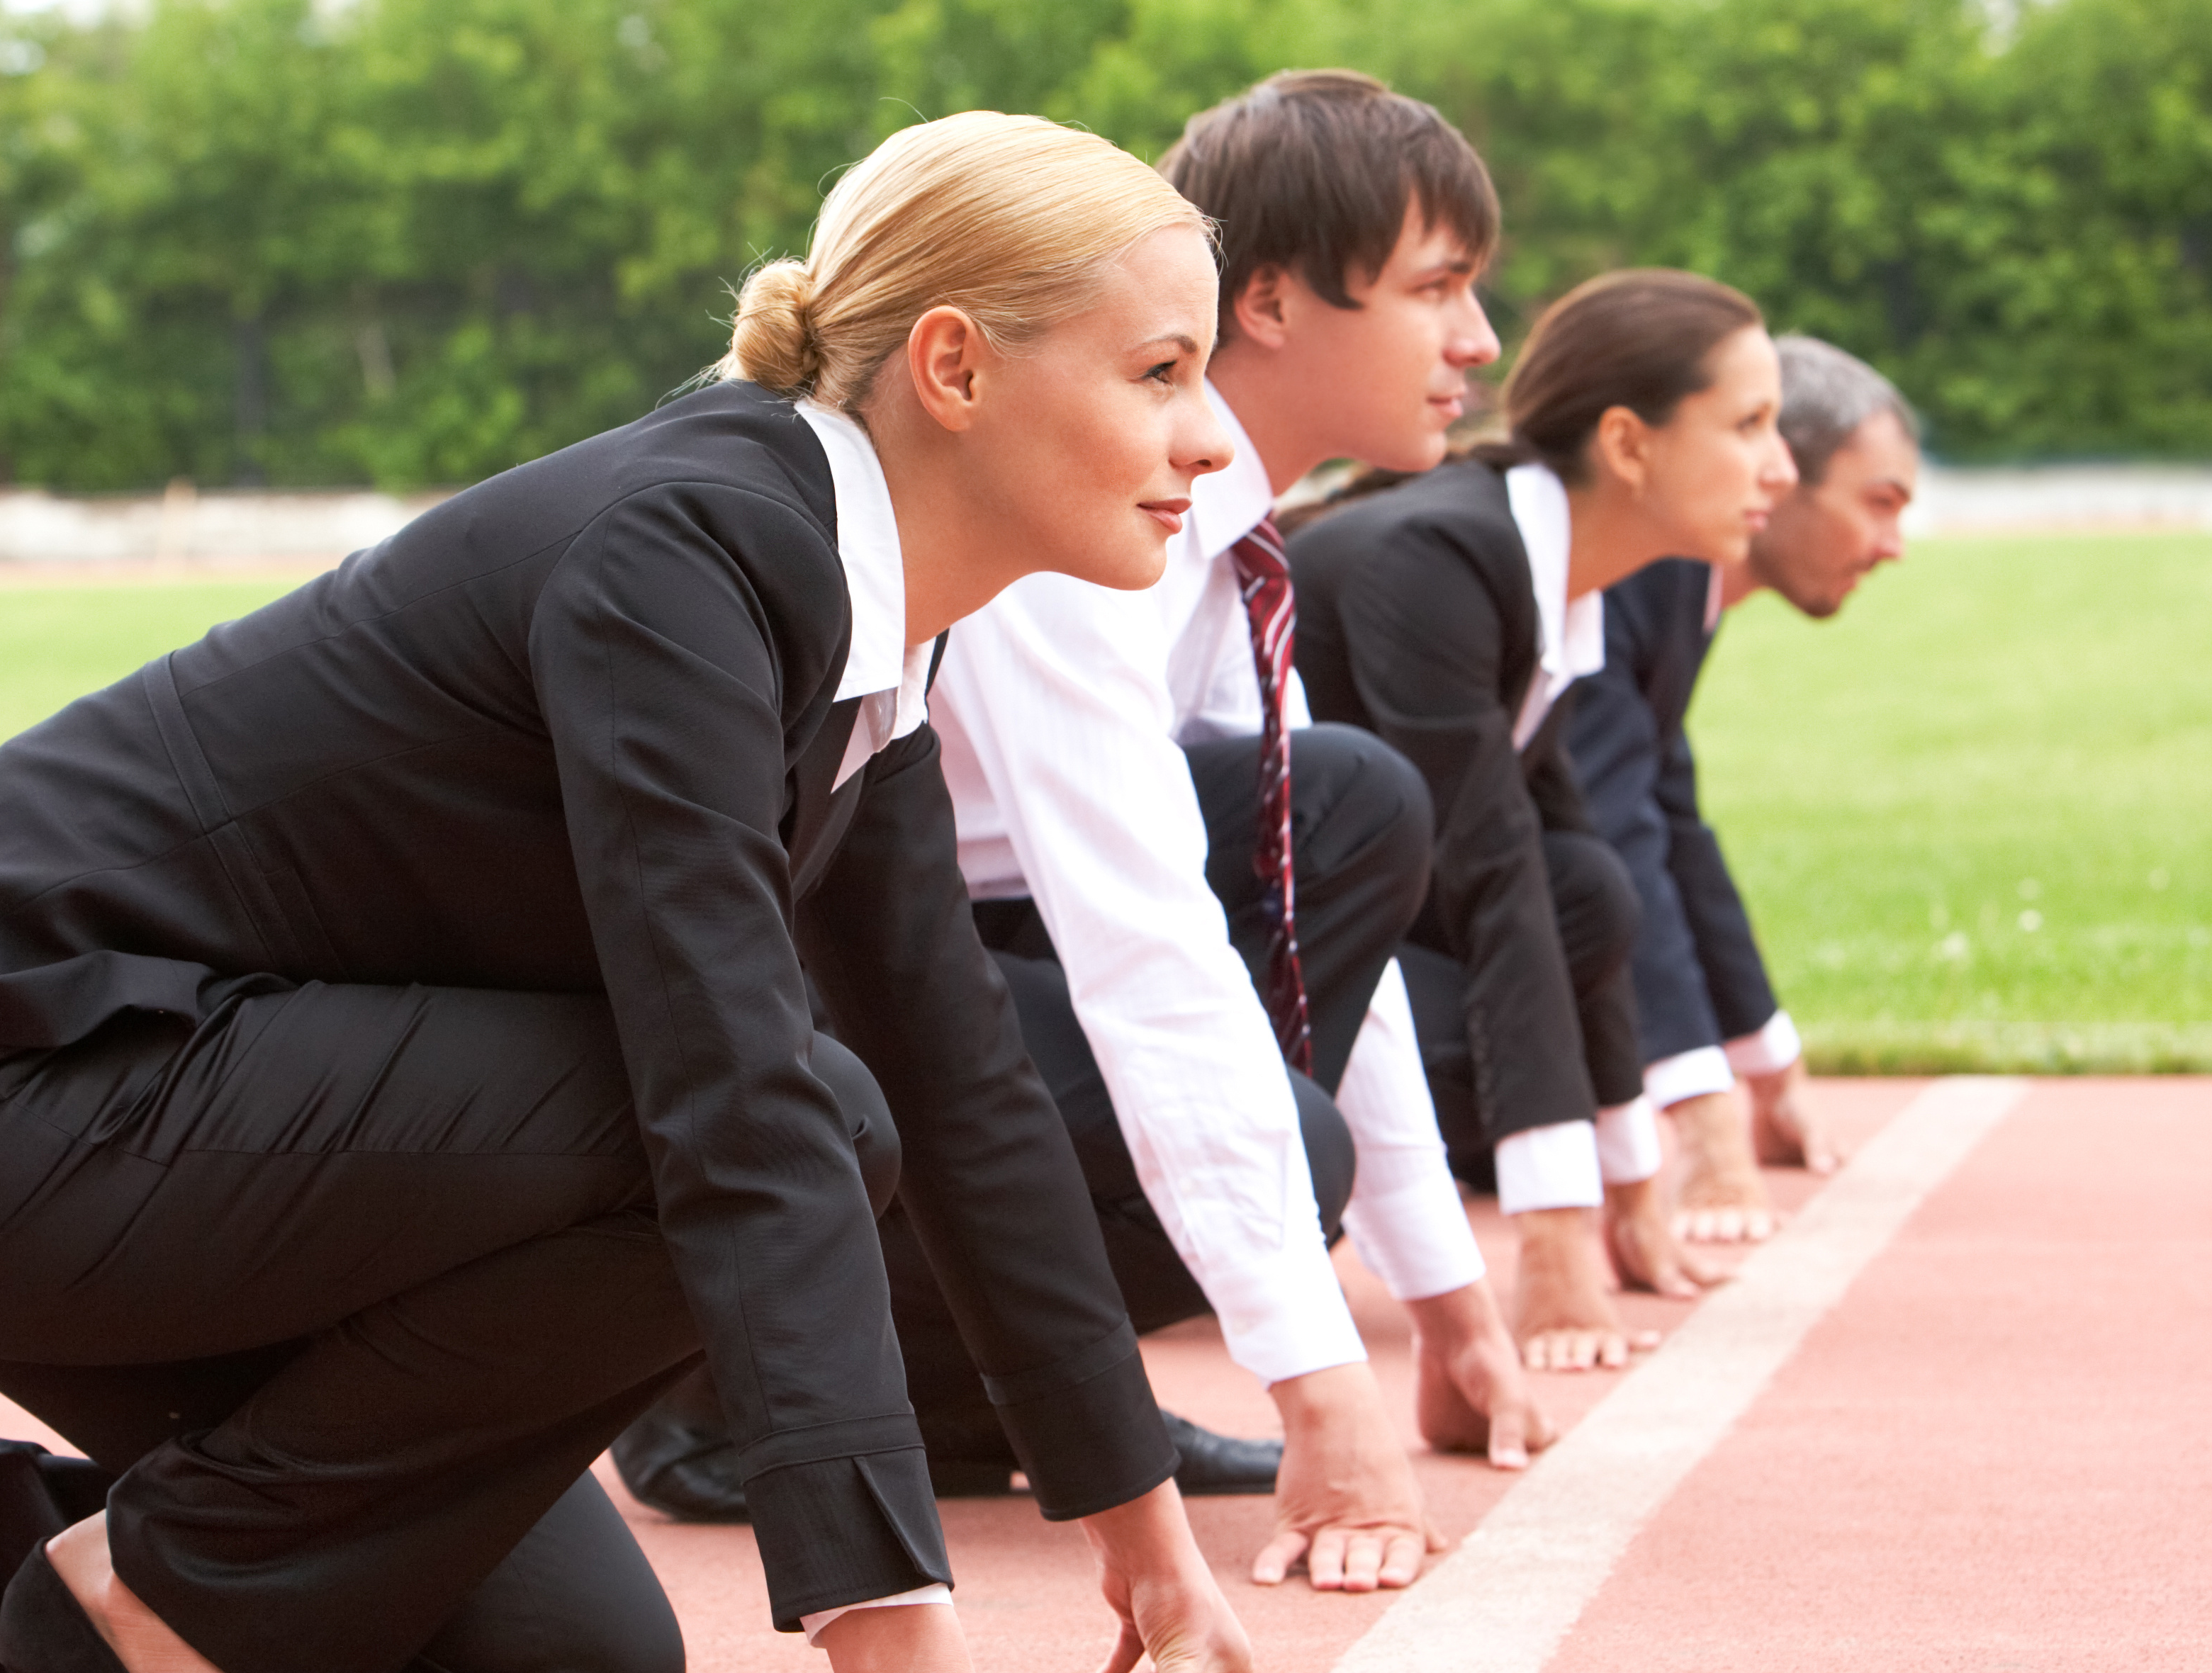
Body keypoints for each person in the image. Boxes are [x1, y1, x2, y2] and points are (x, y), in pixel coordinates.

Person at [0, 111, 1259, 1673]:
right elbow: (736, 1102)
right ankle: (175, 1584)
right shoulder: (687, 551)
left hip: (181, 1103)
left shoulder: (867, 633)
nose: (1211, 437)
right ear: (954, 364)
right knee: (792, 1116)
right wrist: (905, 1670)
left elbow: (963, 1075)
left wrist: (1133, 1514)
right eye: (1164, 371)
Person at [613, 72, 1556, 1585]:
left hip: (954, 954)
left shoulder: (1208, 528)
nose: (1479, 344)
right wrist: (1325, 1386)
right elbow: (1141, 935)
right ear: (1273, 306)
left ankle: (1021, 1390)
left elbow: (1312, 928)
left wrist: (1445, 1302)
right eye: (1437, 288)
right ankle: (728, 1387)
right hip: (836, 981)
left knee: (1347, 810)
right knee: (1283, 1100)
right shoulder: (1065, 511)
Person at [1289, 269, 1798, 1371]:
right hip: (1188, 957)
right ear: (1629, 443)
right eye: (1751, 426)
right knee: (1532, 902)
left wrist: (1634, 1197)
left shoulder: (1549, 572)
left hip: (1325, 940)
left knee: (1588, 885)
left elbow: (1572, 874)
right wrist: (1557, 1246)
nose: (1782, 469)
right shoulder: (1441, 559)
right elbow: (1493, 877)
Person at [1563, 336, 1919, 1240]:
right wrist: (1710, 1129)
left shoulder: (1685, 592)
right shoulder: (1634, 570)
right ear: (1781, 473)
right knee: (1552, 1100)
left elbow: (1675, 820)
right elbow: (1616, 830)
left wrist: (1771, 1067)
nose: (1893, 547)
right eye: (1878, 504)